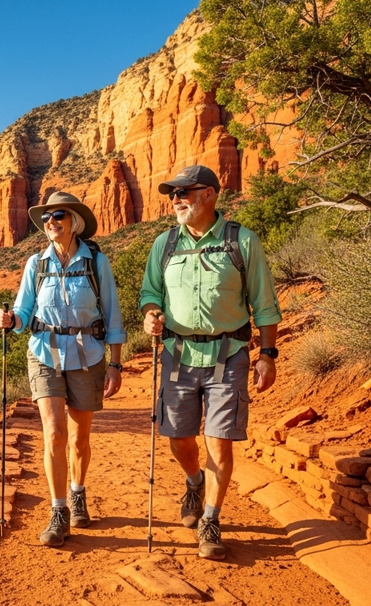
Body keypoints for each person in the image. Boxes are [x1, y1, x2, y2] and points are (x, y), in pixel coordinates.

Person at [139, 165, 282, 560]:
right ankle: (194, 481)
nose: (176, 199)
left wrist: (267, 356)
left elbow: (265, 305)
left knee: (219, 440)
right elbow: (150, 292)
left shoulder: (243, 241)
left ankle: (211, 518)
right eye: (173, 193)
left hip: (229, 355)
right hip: (177, 355)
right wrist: (151, 313)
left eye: (185, 192)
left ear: (209, 195)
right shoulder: (164, 244)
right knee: (179, 438)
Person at [0, 191, 126, 547]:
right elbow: (23, 313)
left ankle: (77, 490)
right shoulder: (35, 264)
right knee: (54, 433)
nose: (51, 223)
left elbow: (112, 314)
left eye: (58, 217)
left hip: (89, 355)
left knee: (79, 436)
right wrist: (10, 320)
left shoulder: (97, 262)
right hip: (44, 354)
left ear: (74, 222)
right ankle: (58, 511)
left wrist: (115, 362)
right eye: (47, 218)